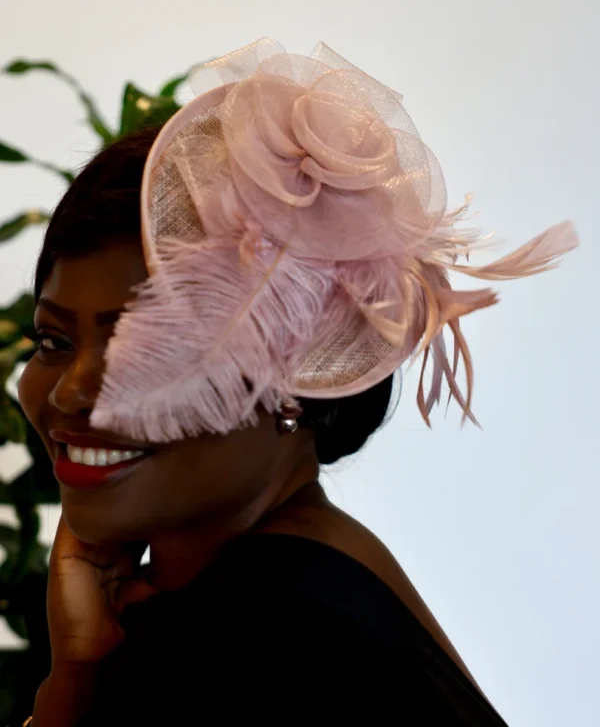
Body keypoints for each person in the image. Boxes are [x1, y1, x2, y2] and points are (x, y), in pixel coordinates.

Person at [18, 40, 577, 726]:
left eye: (151, 346)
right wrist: (79, 669)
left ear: (299, 376)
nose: (73, 392)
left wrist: (71, 688)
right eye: (53, 340)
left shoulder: (238, 647)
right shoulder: (321, 569)